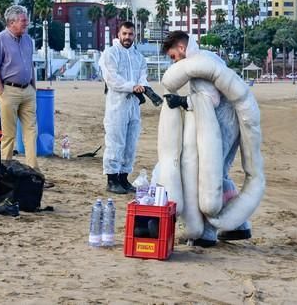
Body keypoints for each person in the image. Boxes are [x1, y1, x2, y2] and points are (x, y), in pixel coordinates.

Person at [162, 31, 251, 247]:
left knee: (210, 173)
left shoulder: (198, 65)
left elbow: (210, 99)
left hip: (220, 122)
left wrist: (183, 101)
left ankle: (209, 233)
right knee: (219, 171)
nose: (174, 63)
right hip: (232, 119)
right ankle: (239, 225)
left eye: (173, 57)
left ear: (182, 49)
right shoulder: (208, 56)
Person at [0, 5, 40, 172]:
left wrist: (33, 86)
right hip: (9, 91)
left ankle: (33, 170)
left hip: (28, 91)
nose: (27, 23)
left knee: (31, 132)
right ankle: (5, 170)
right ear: (12, 22)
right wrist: (1, 91)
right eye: (23, 20)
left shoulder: (28, 40)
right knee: (8, 134)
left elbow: (30, 64)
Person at [98, 21, 148, 194]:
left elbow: (143, 74)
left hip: (134, 105)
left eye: (130, 34)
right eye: (124, 34)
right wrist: (131, 86)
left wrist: (141, 86)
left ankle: (123, 178)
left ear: (135, 35)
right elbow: (111, 78)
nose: (127, 37)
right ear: (118, 34)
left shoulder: (138, 56)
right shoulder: (110, 54)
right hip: (117, 105)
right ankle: (112, 179)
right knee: (115, 141)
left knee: (130, 142)